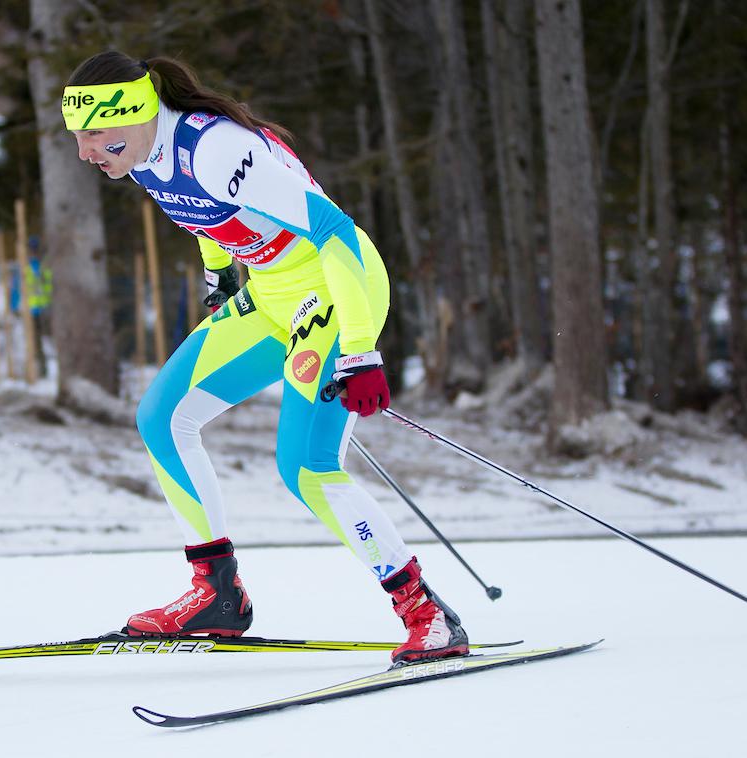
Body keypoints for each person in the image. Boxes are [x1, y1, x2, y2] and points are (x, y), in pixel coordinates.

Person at [61, 52, 468, 663]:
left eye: (93, 133)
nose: (85, 151)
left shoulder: (217, 150)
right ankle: (216, 592)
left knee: (304, 467)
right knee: (163, 418)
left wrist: (360, 350)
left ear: (135, 111)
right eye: (77, 137)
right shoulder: (143, 154)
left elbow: (337, 234)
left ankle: (426, 614)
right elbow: (205, 215)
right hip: (271, 296)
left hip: (335, 291)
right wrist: (221, 275)